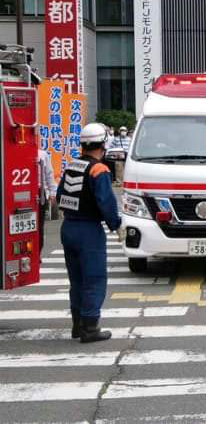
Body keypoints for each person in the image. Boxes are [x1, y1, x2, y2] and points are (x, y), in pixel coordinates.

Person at [56, 123, 122, 343]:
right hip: (88, 231)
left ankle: (77, 325)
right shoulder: (99, 169)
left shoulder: (72, 165)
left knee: (77, 280)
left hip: (69, 228)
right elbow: (106, 202)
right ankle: (90, 327)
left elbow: (59, 196)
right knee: (94, 279)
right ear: (103, 144)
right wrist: (116, 224)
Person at [37, 147, 57, 257]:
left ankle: (37, 254)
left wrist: (52, 191)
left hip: (40, 192)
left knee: (39, 226)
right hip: (28, 190)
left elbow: (49, 173)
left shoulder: (42, 154)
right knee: (39, 226)